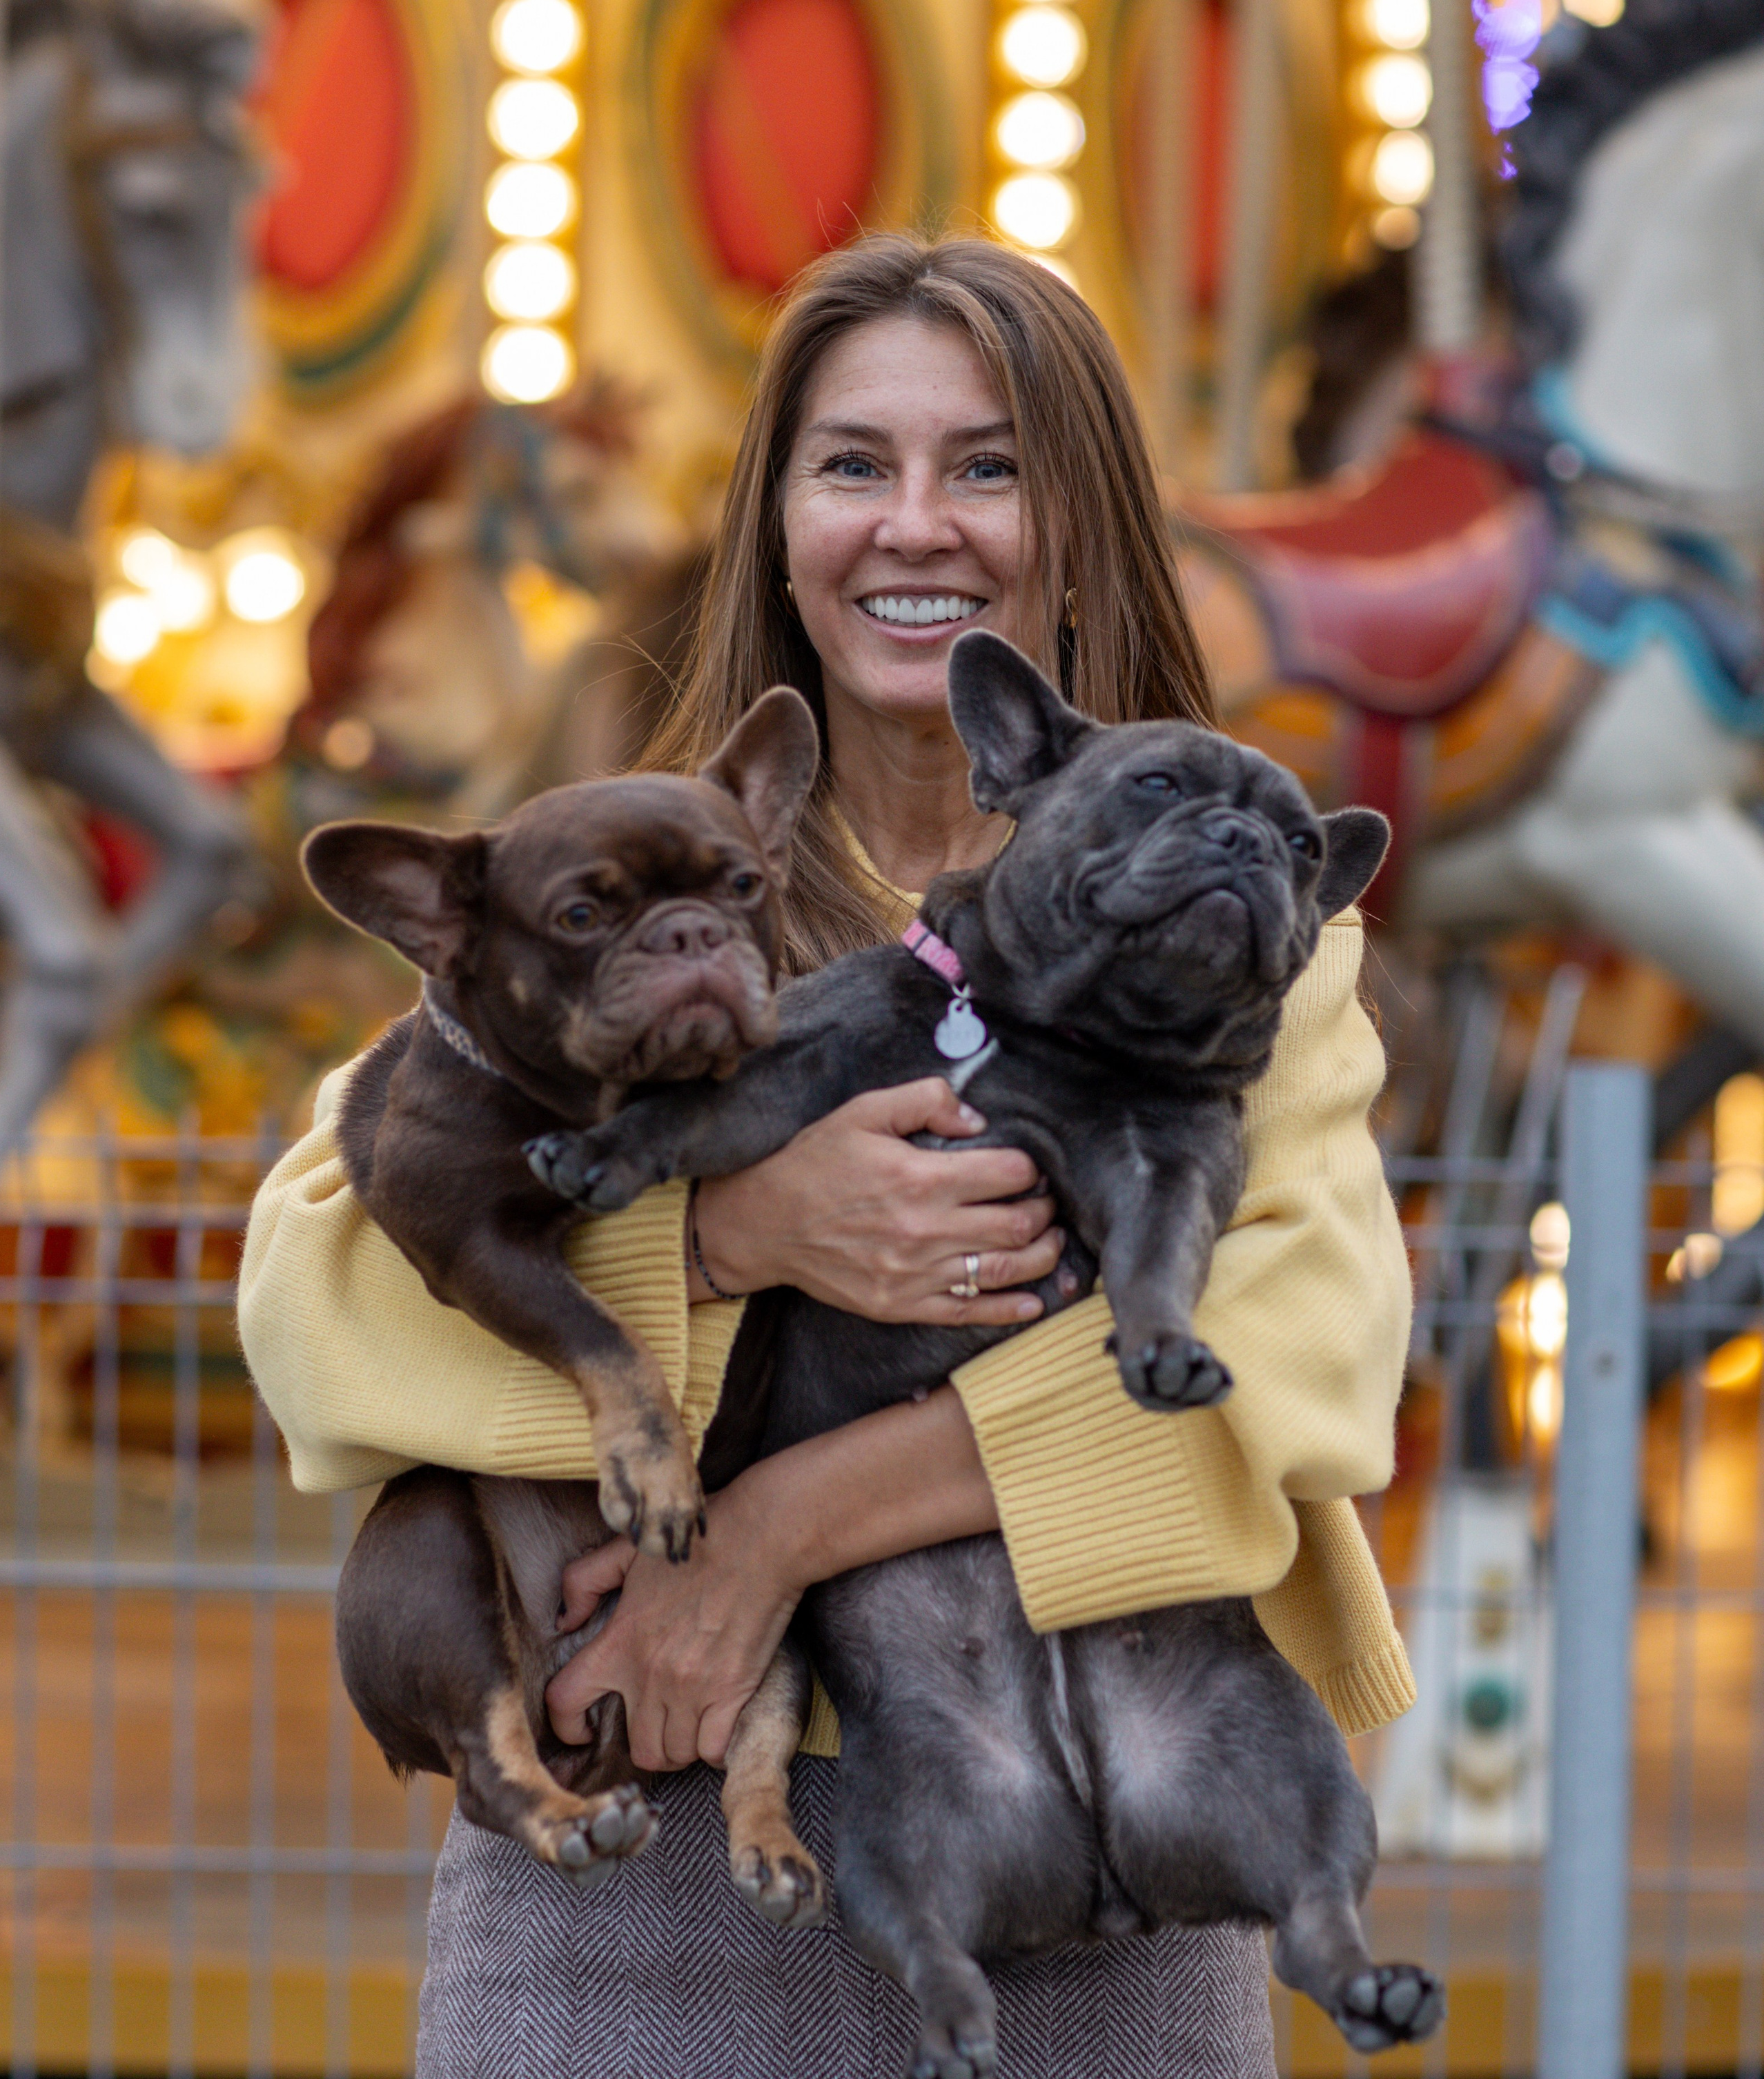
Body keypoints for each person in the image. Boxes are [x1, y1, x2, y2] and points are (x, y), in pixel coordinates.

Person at [240, 233, 1415, 2079]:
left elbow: (1297, 1369)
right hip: (645, 1852)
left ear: (1084, 528)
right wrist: (730, 1236)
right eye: (854, 464)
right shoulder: (627, 888)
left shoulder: (1251, 936)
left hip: (1103, 1836)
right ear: (777, 528)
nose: (914, 525)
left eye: (989, 467)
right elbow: (312, 1297)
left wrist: (769, 1537)